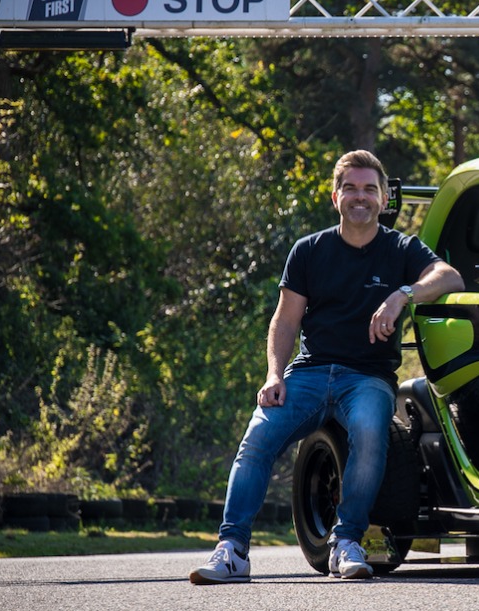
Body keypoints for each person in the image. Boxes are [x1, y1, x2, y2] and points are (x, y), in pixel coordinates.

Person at [190, 150, 462, 583]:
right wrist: (274, 375)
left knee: (370, 434)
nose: (360, 197)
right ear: (336, 197)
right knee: (258, 437)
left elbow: (450, 276)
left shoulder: (402, 248)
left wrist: (402, 295)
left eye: (369, 189)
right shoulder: (308, 250)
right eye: (350, 188)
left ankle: (346, 542)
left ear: (383, 199)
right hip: (309, 373)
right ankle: (232, 549)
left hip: (368, 378)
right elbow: (285, 321)